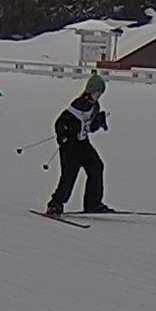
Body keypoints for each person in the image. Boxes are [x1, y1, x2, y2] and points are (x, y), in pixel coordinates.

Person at [48, 78, 112, 215]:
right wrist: (63, 138)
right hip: (70, 146)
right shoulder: (78, 105)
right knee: (69, 175)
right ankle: (55, 204)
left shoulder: (95, 107)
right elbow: (60, 123)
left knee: (96, 166)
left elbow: (88, 127)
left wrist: (99, 123)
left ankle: (93, 203)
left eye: (100, 94)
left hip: (83, 144)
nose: (98, 96)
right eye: (96, 93)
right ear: (89, 91)